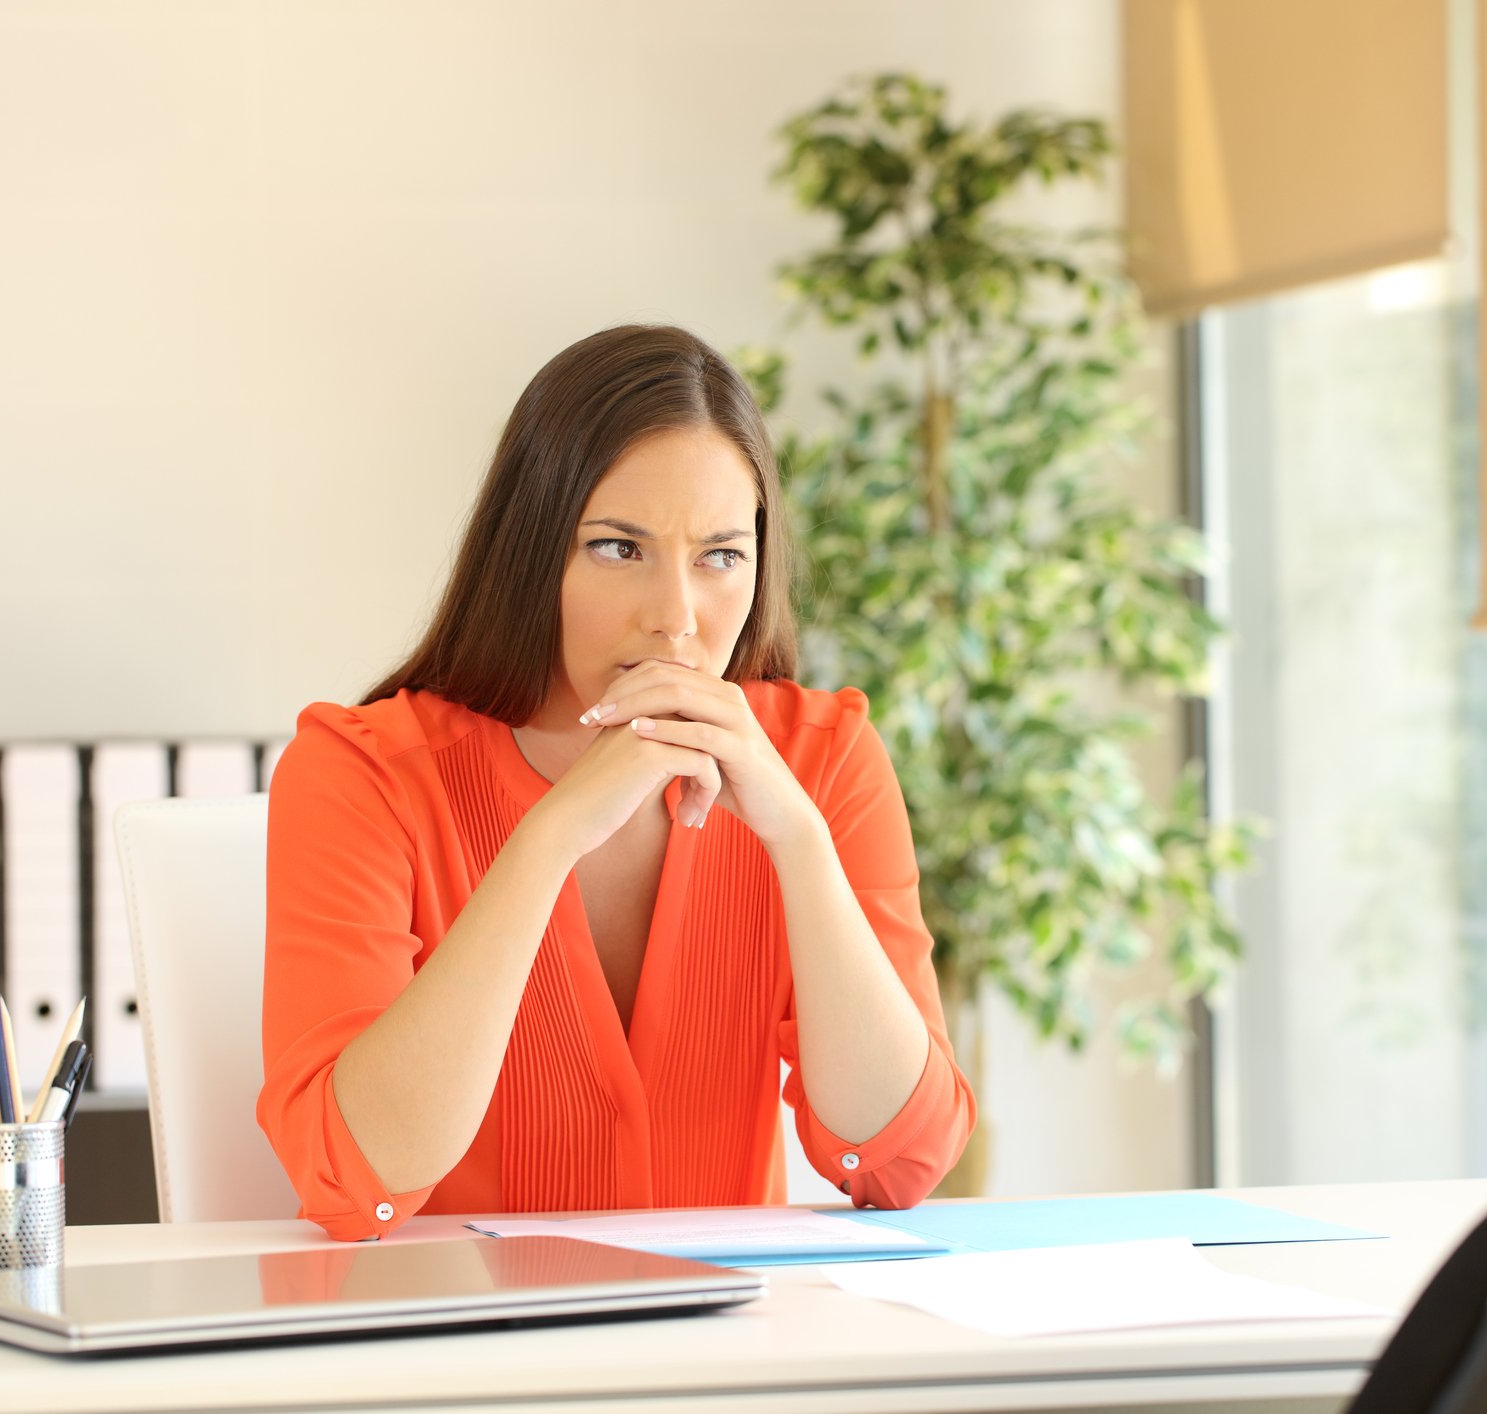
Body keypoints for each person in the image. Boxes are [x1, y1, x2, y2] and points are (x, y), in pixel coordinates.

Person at [258, 324, 975, 1240]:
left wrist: (798, 840)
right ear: (531, 551)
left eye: (720, 556)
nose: (675, 620)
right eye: (617, 548)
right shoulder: (360, 771)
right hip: (462, 1346)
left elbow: (899, 1158)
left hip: (724, 1350)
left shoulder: (822, 758)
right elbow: (358, 1177)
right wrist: (549, 839)